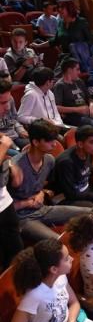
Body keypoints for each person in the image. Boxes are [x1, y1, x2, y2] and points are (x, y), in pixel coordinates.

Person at [8, 119, 86, 243]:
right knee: (60, 242)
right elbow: (4, 207)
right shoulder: (15, 167)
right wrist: (27, 203)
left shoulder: (49, 160)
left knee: (91, 214)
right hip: (22, 218)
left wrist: (42, 193)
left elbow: (48, 186)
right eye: (49, 141)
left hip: (42, 210)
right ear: (36, 142)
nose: (54, 144)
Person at [0, 82, 23, 270]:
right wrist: (4, 147)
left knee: (15, 252)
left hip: (4, 200)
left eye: (7, 102)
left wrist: (9, 162)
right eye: (2, 103)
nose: (6, 107)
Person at [53, 57, 93, 127]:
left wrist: (92, 105)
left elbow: (89, 97)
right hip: (75, 117)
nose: (79, 72)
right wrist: (77, 109)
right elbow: (57, 107)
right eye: (77, 69)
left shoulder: (79, 81)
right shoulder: (60, 86)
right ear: (69, 70)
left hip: (88, 113)